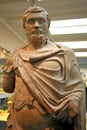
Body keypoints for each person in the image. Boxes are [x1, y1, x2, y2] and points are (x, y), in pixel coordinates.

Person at [2, 6, 86, 130]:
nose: (36, 25)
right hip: (16, 124)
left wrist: (74, 101)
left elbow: (78, 87)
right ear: (24, 27)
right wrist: (8, 69)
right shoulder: (15, 56)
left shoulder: (63, 53)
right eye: (31, 21)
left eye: (41, 21)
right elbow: (8, 89)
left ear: (47, 25)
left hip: (52, 124)